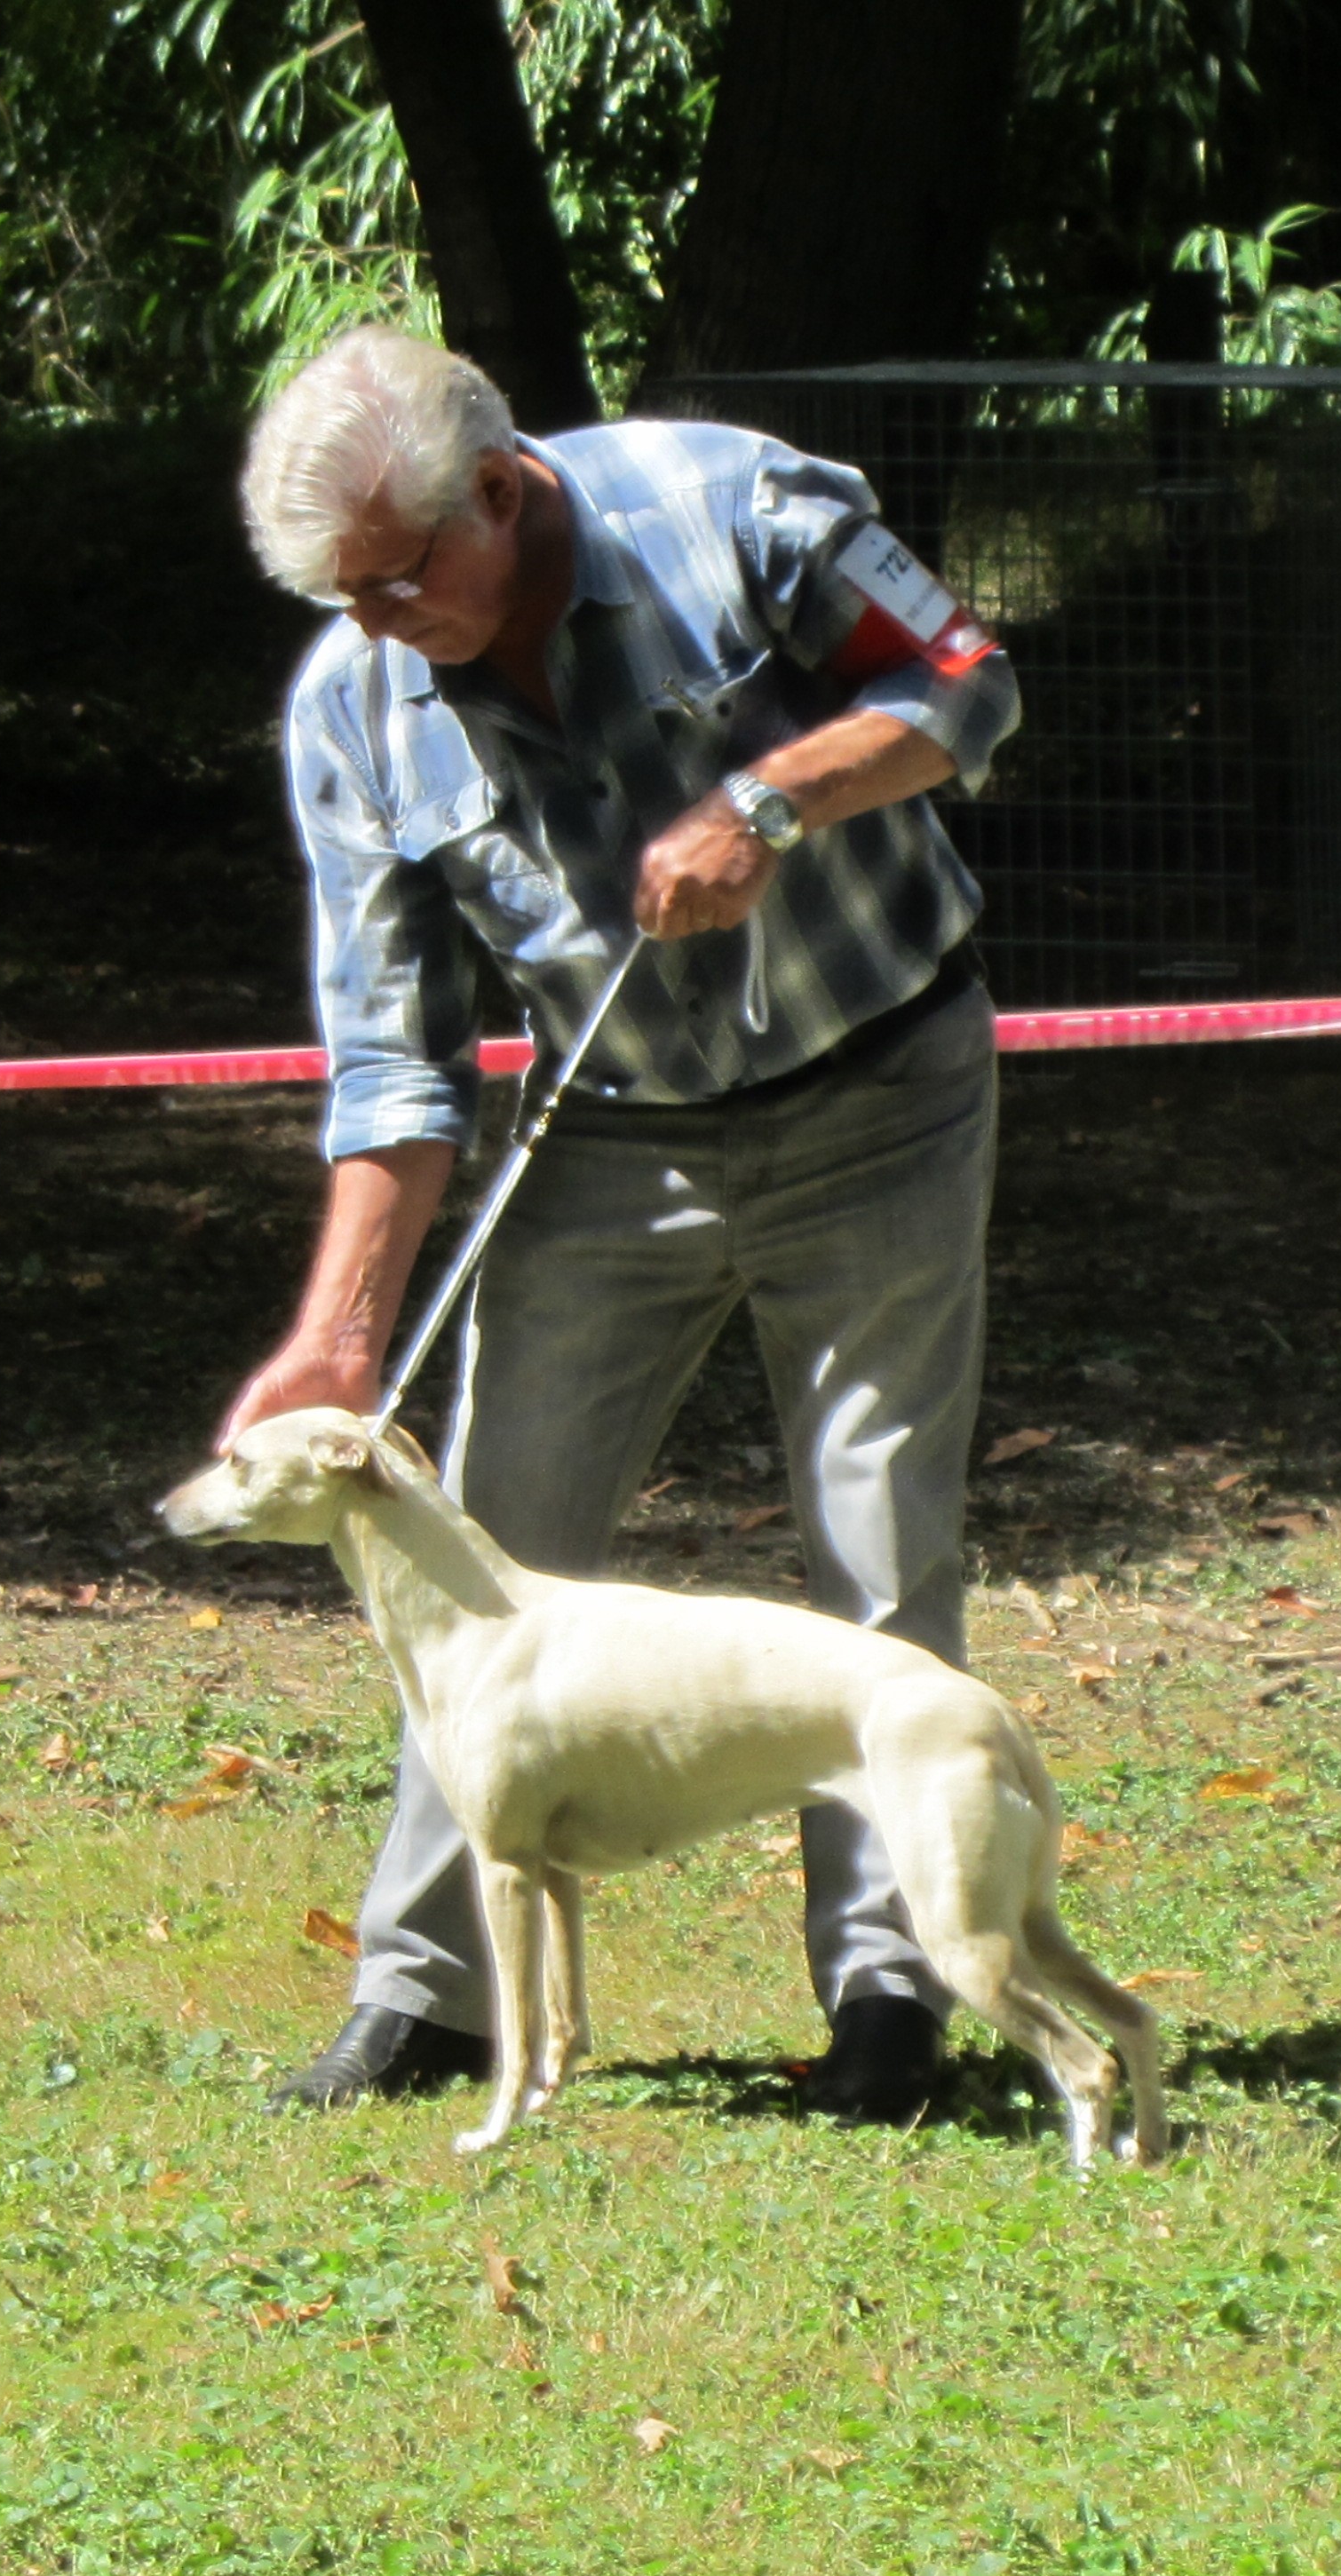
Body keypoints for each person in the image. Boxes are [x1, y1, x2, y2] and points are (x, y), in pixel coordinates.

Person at [222, 326, 1020, 2120]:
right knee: (474, 1556)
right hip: (610, 1143)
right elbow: (392, 1058)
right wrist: (340, 1331)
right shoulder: (351, 711)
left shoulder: (732, 507)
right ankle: (425, 1994)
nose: (376, 624)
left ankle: (892, 1998)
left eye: (400, 575)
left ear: (497, 491)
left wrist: (773, 798)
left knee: (875, 1541)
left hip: (877, 1082)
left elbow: (967, 681)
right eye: (341, 595)